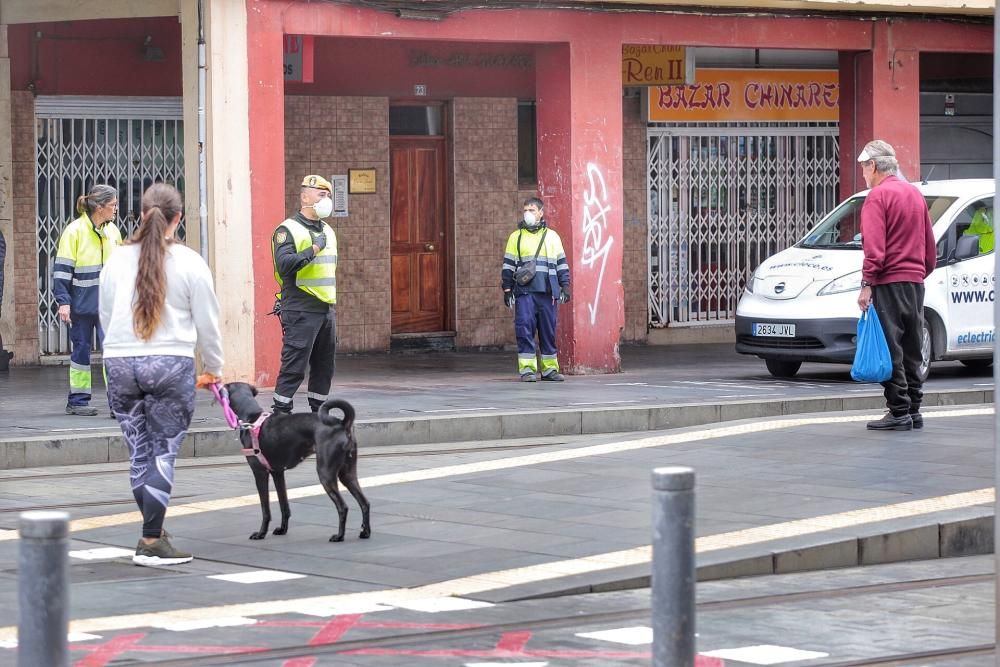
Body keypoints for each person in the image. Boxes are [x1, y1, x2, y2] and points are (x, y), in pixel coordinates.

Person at [99, 183, 223, 566]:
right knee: (163, 452)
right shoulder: (189, 262)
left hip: (120, 362)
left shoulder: (117, 260)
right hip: (170, 363)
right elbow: (208, 323)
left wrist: (119, 350)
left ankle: (154, 528)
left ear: (140, 215)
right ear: (178, 219)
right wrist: (214, 368)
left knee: (140, 450)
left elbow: (105, 315)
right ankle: (152, 540)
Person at [856, 140, 936, 431]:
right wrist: (918, 273)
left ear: (873, 166)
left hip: (888, 281)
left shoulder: (877, 197)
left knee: (890, 347)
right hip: (915, 281)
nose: (863, 173)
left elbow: (874, 249)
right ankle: (914, 410)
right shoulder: (914, 194)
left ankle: (899, 410)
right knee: (912, 347)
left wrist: (867, 284)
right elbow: (929, 248)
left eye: (864, 167)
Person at [270, 174, 338, 413]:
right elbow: (285, 264)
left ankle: (320, 415)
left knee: (324, 366)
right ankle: (281, 413)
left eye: (328, 195)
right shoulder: (287, 230)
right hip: (300, 308)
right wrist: (314, 248)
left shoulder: (328, 230)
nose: (326, 199)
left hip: (326, 309)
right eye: (321, 194)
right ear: (304, 197)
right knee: (294, 366)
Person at [53, 184, 123, 415]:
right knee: (81, 352)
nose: (116, 209)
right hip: (81, 305)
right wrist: (63, 301)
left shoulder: (113, 232)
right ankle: (78, 401)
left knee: (112, 353)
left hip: (108, 305)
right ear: (100, 207)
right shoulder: (74, 231)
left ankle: (117, 403)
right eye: (113, 205)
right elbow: (62, 270)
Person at [501, 196, 571, 382]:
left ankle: (549, 370)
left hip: (547, 293)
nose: (528, 214)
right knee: (524, 330)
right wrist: (507, 290)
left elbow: (561, 263)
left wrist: (565, 285)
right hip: (524, 293)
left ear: (541, 212)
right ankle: (527, 370)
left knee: (548, 331)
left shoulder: (552, 236)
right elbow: (508, 266)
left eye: (532, 210)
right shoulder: (515, 237)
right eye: (526, 210)